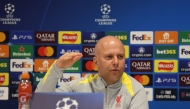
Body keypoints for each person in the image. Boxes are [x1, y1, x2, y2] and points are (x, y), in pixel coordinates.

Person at [35, 36, 149, 109]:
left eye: (120, 56)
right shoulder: (77, 87)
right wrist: (57, 68)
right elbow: (41, 103)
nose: (116, 62)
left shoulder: (135, 89)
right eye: (109, 57)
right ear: (96, 62)